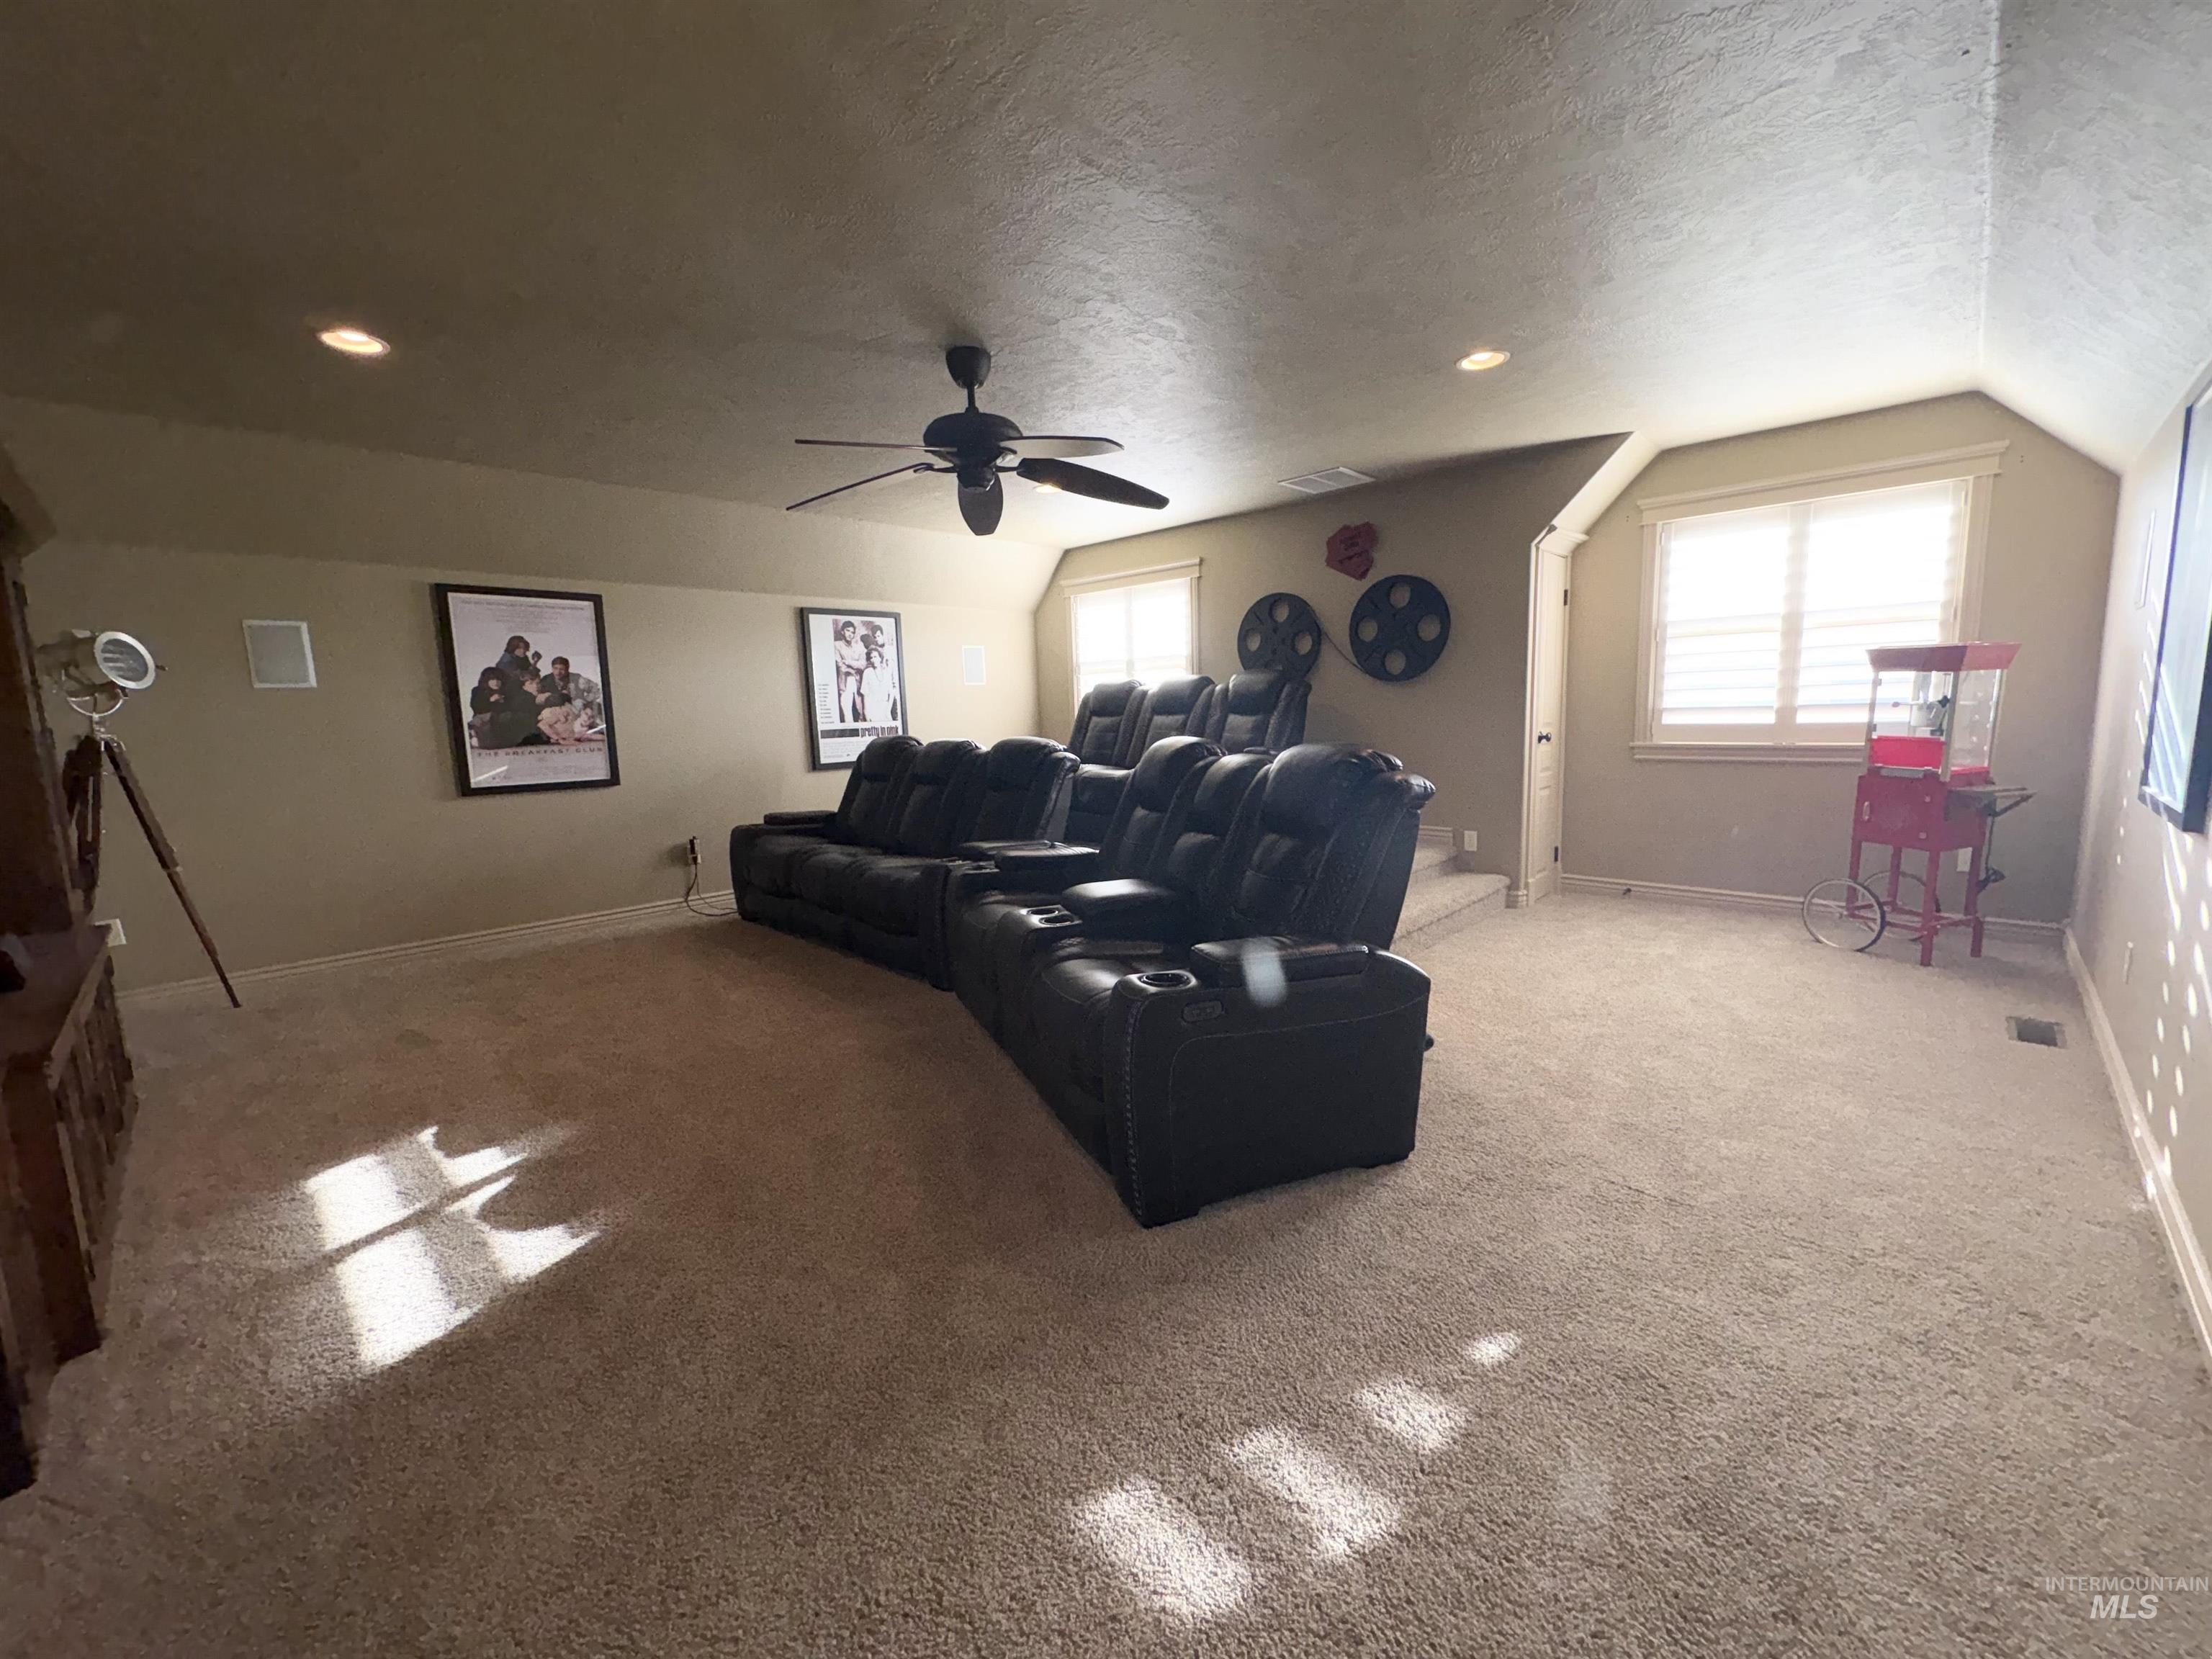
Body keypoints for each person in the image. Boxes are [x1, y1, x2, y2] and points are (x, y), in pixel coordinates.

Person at [832, 619, 866, 723]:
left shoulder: (859, 647)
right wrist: (854, 666)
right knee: (847, 711)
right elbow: (840, 665)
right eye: (848, 631)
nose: (850, 634)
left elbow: (863, 664)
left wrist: (848, 662)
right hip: (845, 682)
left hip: (858, 681)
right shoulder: (836, 645)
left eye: (852, 632)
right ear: (842, 632)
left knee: (861, 711)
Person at [859, 644, 899, 727]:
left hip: (885, 708)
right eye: (871, 658)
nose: (873, 660)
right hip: (872, 709)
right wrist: (866, 712)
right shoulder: (867, 673)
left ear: (880, 658)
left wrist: (888, 710)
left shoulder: (886, 673)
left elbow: (891, 694)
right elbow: (865, 694)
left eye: (875, 657)